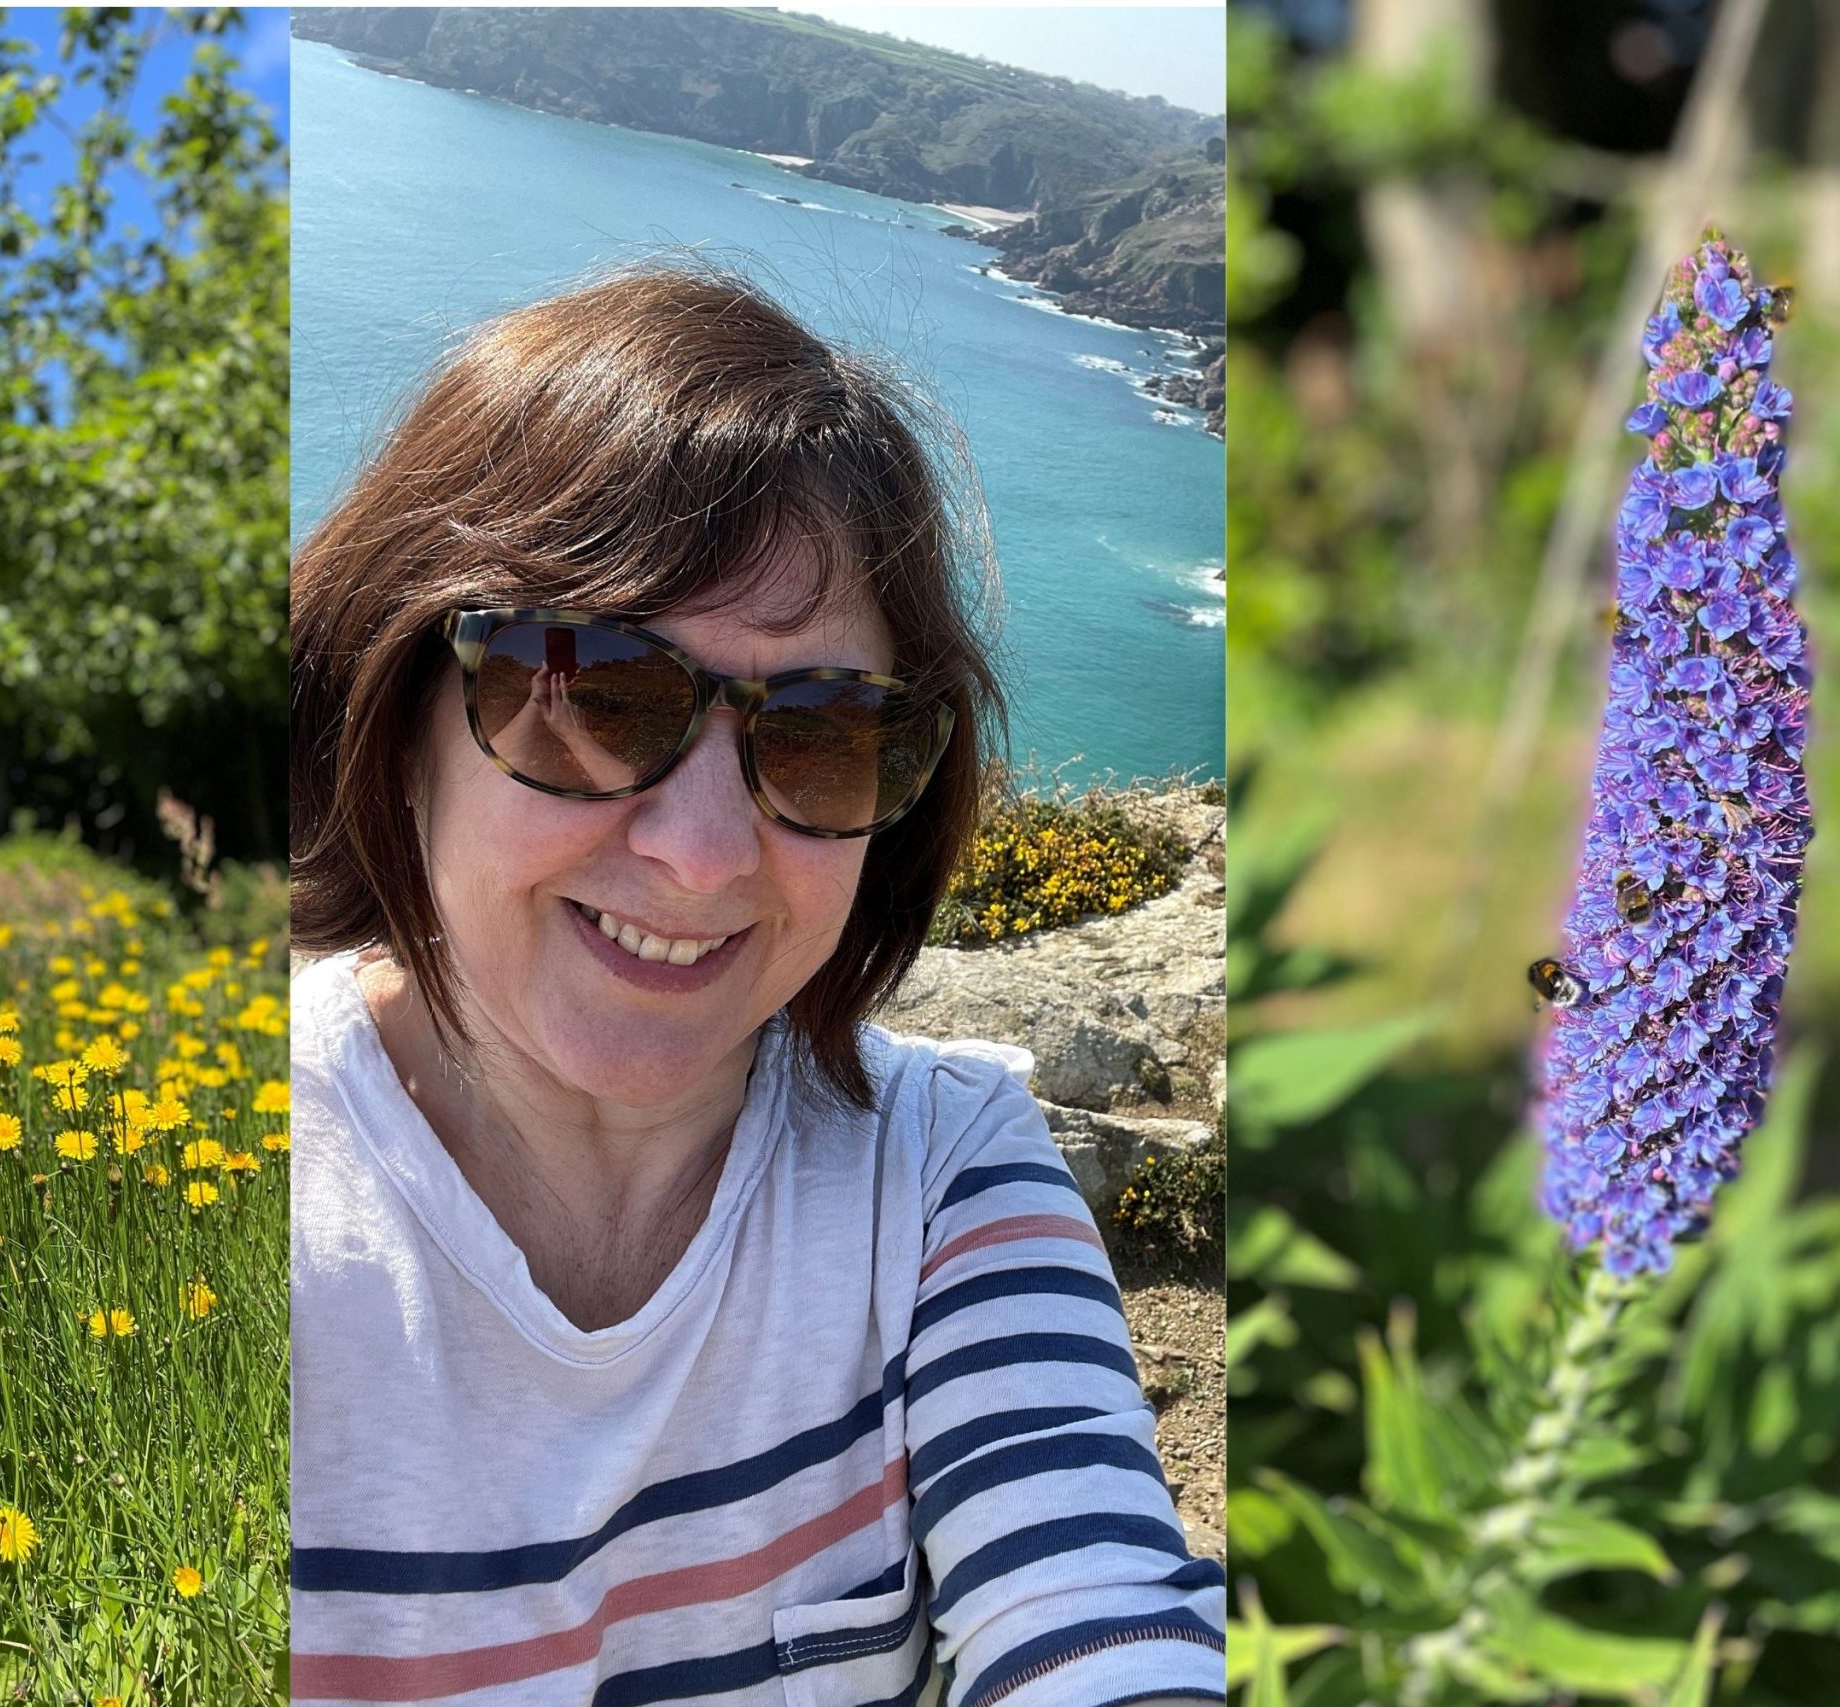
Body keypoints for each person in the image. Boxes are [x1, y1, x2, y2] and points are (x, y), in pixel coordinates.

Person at [290, 265, 1223, 1706]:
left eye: (824, 735)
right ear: (393, 704)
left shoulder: (942, 1182)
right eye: (595, 696)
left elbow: (1101, 1624)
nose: (708, 854)